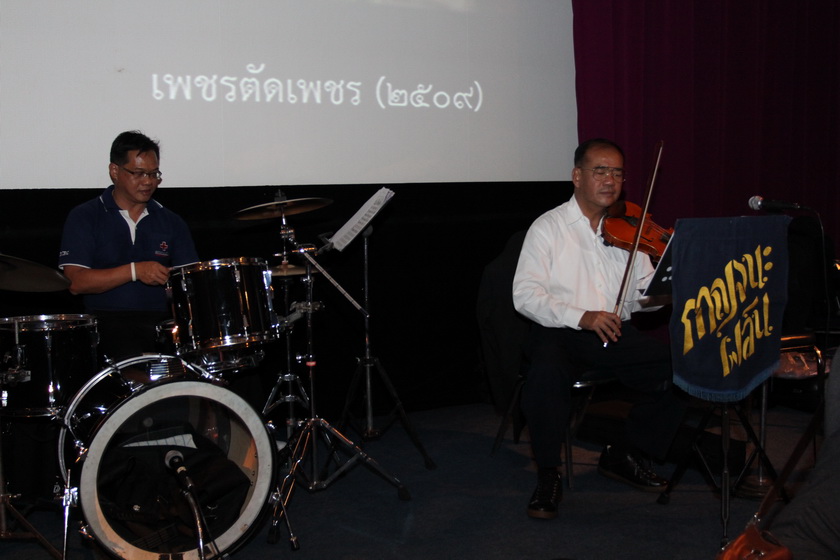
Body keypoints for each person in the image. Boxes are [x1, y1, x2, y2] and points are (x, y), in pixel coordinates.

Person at [512, 138, 685, 519]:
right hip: (560, 331)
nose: (610, 180)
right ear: (577, 176)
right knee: (545, 375)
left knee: (682, 370)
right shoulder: (549, 227)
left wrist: (665, 289)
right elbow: (524, 295)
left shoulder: (631, 228)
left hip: (614, 331)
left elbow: (640, 297)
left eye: (618, 173)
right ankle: (548, 472)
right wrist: (582, 316)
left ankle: (624, 451)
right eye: (600, 171)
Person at [58, 130, 199, 363]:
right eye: (139, 173)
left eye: (154, 174)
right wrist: (135, 271)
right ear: (115, 171)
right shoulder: (86, 216)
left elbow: (192, 285)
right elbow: (75, 282)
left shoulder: (171, 221)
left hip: (162, 326)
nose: (148, 181)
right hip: (106, 324)